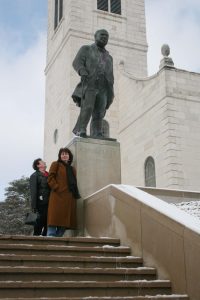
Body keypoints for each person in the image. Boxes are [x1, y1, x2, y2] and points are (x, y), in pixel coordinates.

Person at [72, 29, 114, 138]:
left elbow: (110, 74)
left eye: (107, 36)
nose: (104, 37)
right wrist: (82, 71)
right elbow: (77, 62)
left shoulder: (109, 58)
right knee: (88, 107)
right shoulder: (86, 49)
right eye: (102, 35)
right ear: (95, 36)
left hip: (104, 87)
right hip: (90, 83)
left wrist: (110, 89)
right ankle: (81, 129)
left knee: (100, 111)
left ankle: (97, 132)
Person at [47, 148, 80, 237]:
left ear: (69, 157)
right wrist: (56, 187)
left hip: (69, 197)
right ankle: (50, 238)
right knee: (54, 219)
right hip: (57, 196)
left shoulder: (72, 169)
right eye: (62, 154)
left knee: (64, 221)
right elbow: (50, 178)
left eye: (66, 154)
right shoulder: (56, 164)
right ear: (60, 156)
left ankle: (58, 238)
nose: (64, 155)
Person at [30, 158, 50, 236]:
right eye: (42, 162)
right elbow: (33, 191)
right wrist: (34, 206)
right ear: (38, 165)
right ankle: (36, 236)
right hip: (41, 202)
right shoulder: (34, 175)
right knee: (40, 220)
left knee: (48, 220)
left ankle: (45, 235)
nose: (44, 162)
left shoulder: (48, 174)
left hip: (50, 201)